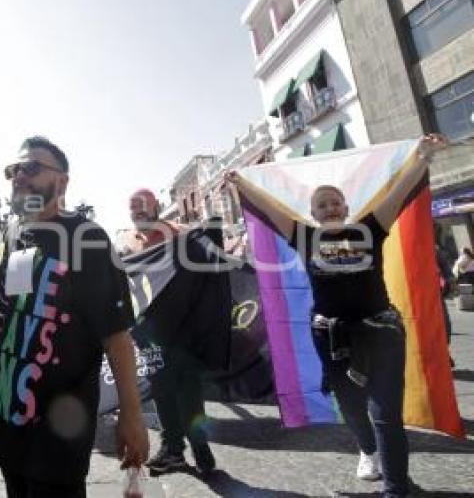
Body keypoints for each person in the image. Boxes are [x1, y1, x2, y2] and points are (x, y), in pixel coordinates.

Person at [0, 136, 148, 497]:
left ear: (61, 181)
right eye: (13, 170)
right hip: (9, 419)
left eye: (31, 168)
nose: (19, 176)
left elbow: (117, 336)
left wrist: (132, 414)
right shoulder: (12, 233)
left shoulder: (87, 239)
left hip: (59, 428)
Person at [227, 134, 447, 498]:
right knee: (350, 404)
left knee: (385, 414)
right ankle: (367, 450)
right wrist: (240, 185)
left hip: (381, 332)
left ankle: (396, 490)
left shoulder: (370, 229)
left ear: (346, 207)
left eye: (334, 202)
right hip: (331, 337)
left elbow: (399, 190)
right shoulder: (303, 236)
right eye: (321, 204)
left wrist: (422, 156)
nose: (329, 208)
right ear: (312, 214)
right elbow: (267, 207)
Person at [127, 188, 216, 477]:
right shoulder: (129, 242)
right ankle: (173, 451)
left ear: (157, 207)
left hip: (182, 330)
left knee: (189, 393)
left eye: (143, 205)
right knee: (161, 392)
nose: (137, 211)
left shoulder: (180, 234)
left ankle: (200, 447)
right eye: (132, 207)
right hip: (148, 332)